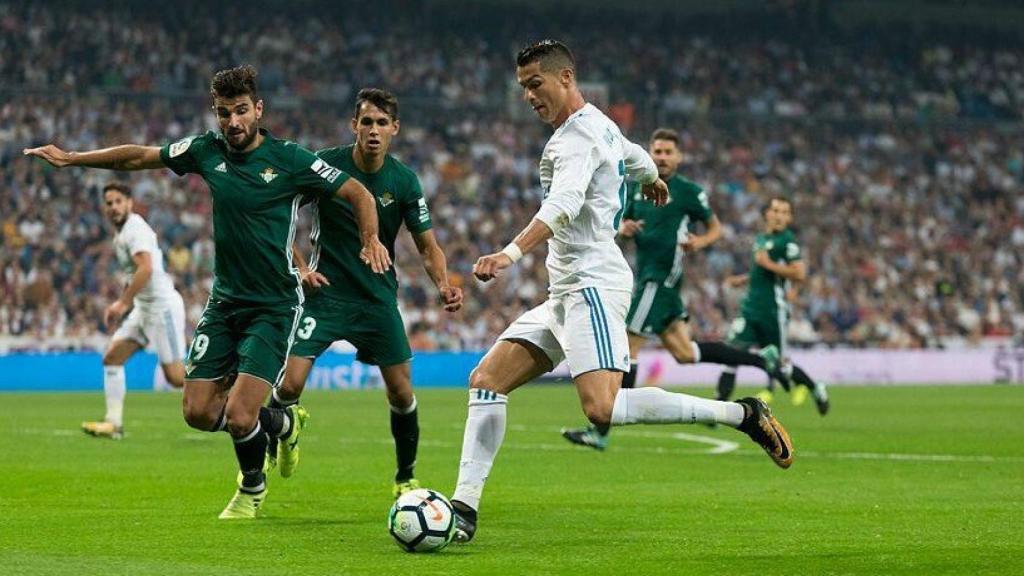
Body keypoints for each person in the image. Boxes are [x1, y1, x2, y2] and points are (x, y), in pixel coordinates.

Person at [447, 40, 794, 544]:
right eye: (522, 87)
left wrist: (509, 253)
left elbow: (563, 204)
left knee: (601, 409)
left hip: (593, 283)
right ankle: (464, 508)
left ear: (565, 77)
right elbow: (633, 155)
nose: (527, 96)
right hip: (565, 290)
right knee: (486, 381)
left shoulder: (575, 140)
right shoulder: (600, 125)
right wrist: (651, 177)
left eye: (534, 84)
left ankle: (741, 414)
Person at [24, 65, 390, 519]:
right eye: (223, 113)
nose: (232, 122)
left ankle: (251, 489)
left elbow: (358, 193)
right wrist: (73, 158)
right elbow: (139, 156)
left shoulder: (292, 159)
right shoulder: (205, 150)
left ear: (258, 109)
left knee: (239, 414)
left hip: (274, 305)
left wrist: (370, 239)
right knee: (197, 412)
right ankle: (282, 422)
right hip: (225, 302)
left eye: (240, 111)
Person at [271, 88, 463, 495]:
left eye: (381, 123)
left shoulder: (404, 180)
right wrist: (300, 267)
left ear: (395, 129)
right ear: (353, 125)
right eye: (366, 121)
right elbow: (280, 213)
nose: (373, 130)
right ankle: (284, 437)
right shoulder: (326, 165)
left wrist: (444, 285)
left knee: (401, 390)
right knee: (288, 386)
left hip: (377, 299)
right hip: (326, 296)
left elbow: (428, 247)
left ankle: (405, 475)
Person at [561, 128, 791, 450]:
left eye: (669, 152)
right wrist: (624, 229)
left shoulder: (687, 192)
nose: (662, 157)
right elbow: (619, 228)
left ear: (679, 157)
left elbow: (715, 227)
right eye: (658, 151)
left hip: (660, 280)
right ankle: (762, 360)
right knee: (686, 353)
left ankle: (600, 432)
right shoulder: (636, 189)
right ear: (650, 153)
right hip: (648, 280)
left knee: (628, 344)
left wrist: (701, 241)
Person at [80, 181, 186, 440]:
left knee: (175, 378)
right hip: (143, 308)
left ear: (129, 203)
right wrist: (127, 301)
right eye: (109, 203)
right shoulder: (122, 232)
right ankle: (113, 424)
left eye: (119, 201)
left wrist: (121, 303)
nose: (114, 207)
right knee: (112, 358)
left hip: (162, 310)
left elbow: (146, 269)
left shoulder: (134, 229)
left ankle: (233, 383)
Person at [715, 197, 829, 415]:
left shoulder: (787, 241)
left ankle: (815, 388)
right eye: (775, 210)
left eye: (784, 212)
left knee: (781, 366)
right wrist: (744, 279)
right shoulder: (762, 238)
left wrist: (768, 264)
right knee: (731, 352)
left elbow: (800, 272)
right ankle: (719, 407)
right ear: (766, 213)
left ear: (790, 218)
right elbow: (761, 272)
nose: (779, 215)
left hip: (772, 311)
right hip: (751, 308)